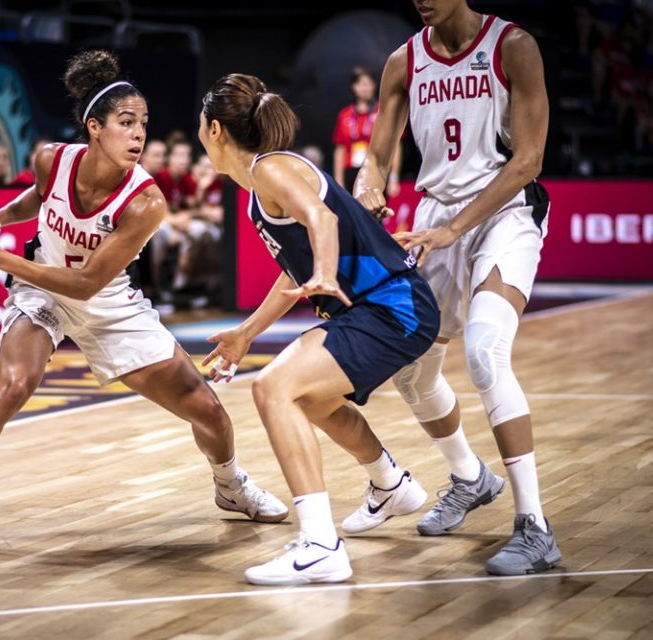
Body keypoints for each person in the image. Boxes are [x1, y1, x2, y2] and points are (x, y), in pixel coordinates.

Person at [0, 50, 288, 551]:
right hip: (40, 288)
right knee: (15, 384)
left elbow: (85, 286)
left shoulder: (146, 202)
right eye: (127, 123)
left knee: (207, 410)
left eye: (144, 123)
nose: (140, 134)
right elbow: (38, 197)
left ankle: (231, 487)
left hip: (103, 300)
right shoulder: (50, 159)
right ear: (95, 127)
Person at [197, 73, 440, 586]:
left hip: (392, 307)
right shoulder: (264, 182)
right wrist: (246, 333)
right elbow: (294, 265)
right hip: (380, 307)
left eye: (201, 124)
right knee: (310, 399)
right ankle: (389, 483)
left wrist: (326, 272)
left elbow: (321, 220)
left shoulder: (270, 170)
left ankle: (320, 544)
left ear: (215, 130)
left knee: (273, 388)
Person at [353, 0, 561, 576]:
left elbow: (528, 160)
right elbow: (376, 156)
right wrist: (370, 185)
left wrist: (454, 229)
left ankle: (535, 527)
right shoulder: (404, 60)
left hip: (503, 216)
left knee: (485, 350)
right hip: (434, 218)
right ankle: (471, 477)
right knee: (410, 372)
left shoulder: (512, 46)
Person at [332, 67, 402, 196]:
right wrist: (338, 182)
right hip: (351, 172)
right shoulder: (345, 115)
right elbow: (340, 149)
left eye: (369, 84)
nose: (365, 88)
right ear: (354, 87)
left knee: (375, 213)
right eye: (361, 84)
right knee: (353, 214)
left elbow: (395, 146)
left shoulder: (382, 112)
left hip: (376, 170)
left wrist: (394, 178)